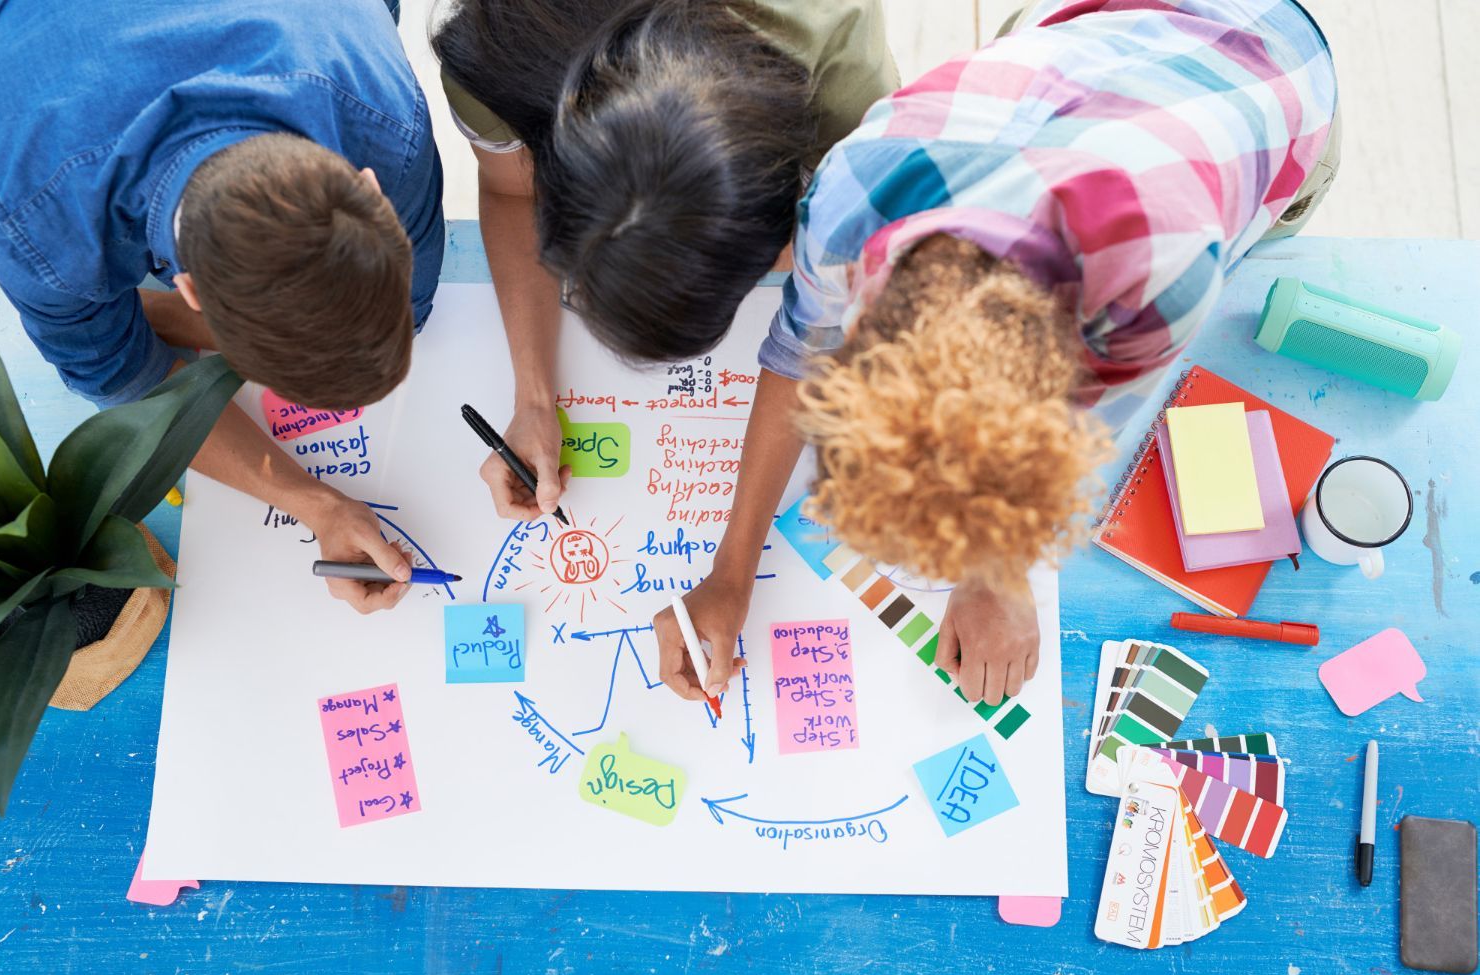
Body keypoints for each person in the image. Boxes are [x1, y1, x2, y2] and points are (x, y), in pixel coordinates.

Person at [652, 0, 1340, 706]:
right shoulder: (852, 190)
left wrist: (999, 583)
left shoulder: (1159, 288)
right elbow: (798, 358)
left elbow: (1072, 449)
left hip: (1272, 83)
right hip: (1094, 30)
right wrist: (730, 574)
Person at [0, 0, 445, 614]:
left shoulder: (384, 110)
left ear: (369, 187)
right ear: (189, 290)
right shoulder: (32, 220)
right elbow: (130, 381)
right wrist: (314, 503)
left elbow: (402, 308)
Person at [430, 0, 897, 523]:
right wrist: (534, 398)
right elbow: (514, 194)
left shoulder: (824, 28)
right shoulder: (497, 55)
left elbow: (859, 237)